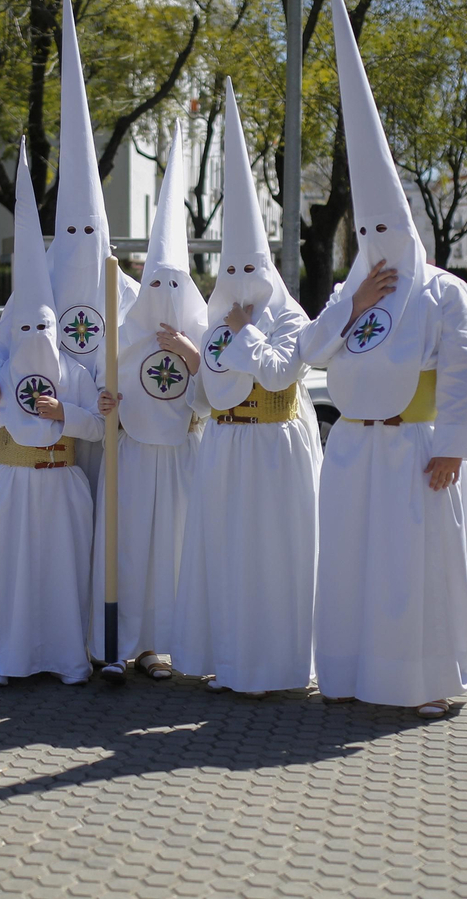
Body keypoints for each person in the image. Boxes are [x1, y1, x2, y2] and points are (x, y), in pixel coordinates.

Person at [300, 0, 467, 719]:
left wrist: (453, 443)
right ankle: (349, 676)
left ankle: (423, 683)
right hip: (353, 451)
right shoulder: (351, 290)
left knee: (415, 574)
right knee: (351, 570)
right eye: (366, 229)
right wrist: (349, 305)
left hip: (416, 451)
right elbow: (309, 355)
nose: (377, 241)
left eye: (388, 229)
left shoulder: (448, 292)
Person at [172, 80, 320, 697]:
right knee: (228, 557)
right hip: (226, 450)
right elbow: (206, 397)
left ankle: (283, 665)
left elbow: (283, 372)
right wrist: (196, 355)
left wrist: (237, 334)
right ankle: (229, 662)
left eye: (249, 269)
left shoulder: (290, 315)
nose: (238, 280)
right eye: (229, 270)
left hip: (277, 447)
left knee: (276, 560)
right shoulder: (216, 316)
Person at [0, 0, 138, 497]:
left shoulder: (128, 293)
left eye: (90, 228)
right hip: (41, 433)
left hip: (104, 431)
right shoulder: (37, 285)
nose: (81, 237)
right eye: (71, 229)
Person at [0, 139, 104, 687]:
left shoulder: (75, 372)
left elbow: (98, 425)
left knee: (62, 579)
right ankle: (5, 660)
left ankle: (69, 659)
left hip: (64, 482)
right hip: (12, 484)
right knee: (10, 578)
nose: (36, 338)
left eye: (44, 328)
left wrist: (63, 412)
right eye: (27, 329)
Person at [92, 121, 207, 682]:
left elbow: (215, 398)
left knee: (175, 553)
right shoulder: (124, 334)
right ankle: (120, 641)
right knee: (131, 549)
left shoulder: (203, 338)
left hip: (182, 456)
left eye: (174, 285)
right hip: (134, 454)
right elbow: (99, 385)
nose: (163, 296)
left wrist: (192, 356)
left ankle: (160, 646)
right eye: (154, 284)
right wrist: (106, 401)